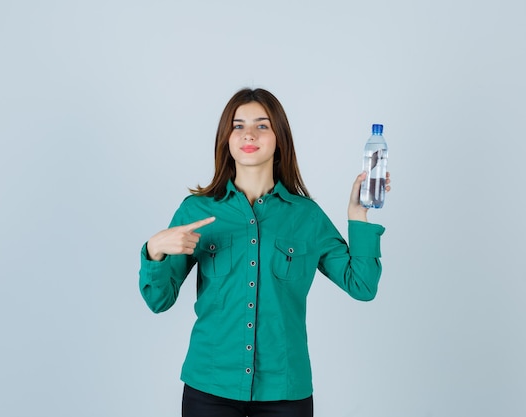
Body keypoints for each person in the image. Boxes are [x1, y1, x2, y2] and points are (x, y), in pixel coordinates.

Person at [139, 88, 391, 417]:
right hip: (209, 389)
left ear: (279, 138)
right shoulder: (195, 211)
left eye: (262, 125)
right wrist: (154, 249)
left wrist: (357, 215)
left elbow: (362, 285)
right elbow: (159, 300)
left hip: (285, 392)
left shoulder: (306, 217)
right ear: (226, 139)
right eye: (238, 125)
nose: (248, 134)